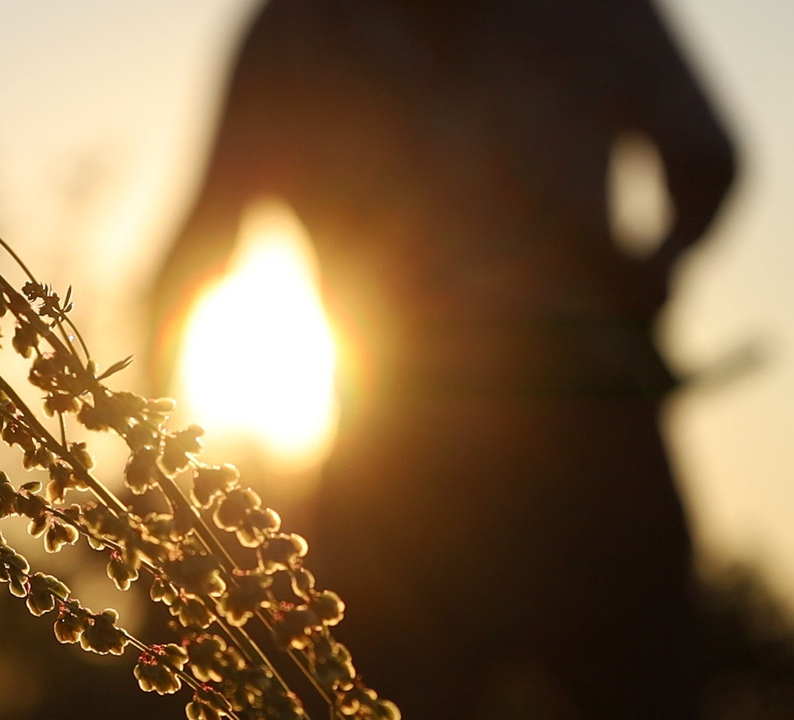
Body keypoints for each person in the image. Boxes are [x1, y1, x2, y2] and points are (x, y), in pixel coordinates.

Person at [149, 0, 736, 716]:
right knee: (378, 695)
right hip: (404, 452)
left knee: (633, 691)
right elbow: (202, 239)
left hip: (579, 426)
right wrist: (159, 479)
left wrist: (653, 272)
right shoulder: (295, 30)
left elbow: (707, 161)